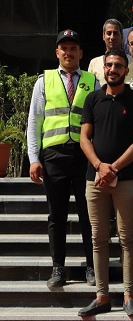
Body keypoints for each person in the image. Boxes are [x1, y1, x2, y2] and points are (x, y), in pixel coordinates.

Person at [78, 49, 133, 317]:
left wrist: (115, 168)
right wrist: (100, 166)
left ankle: (129, 295)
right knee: (98, 239)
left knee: (128, 238)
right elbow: (85, 138)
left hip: (126, 178)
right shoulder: (92, 99)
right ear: (103, 68)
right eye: (109, 65)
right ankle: (102, 296)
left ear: (126, 70)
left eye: (119, 65)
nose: (113, 69)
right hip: (94, 178)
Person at [27, 29, 98, 289]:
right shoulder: (43, 81)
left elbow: (97, 122)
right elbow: (34, 122)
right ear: (57, 52)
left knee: (88, 214)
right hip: (54, 156)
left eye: (73, 48)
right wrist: (34, 158)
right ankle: (58, 268)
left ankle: (92, 267)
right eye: (63, 48)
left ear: (81, 53)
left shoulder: (92, 81)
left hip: (83, 156)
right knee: (56, 216)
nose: (68, 53)